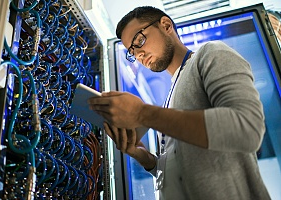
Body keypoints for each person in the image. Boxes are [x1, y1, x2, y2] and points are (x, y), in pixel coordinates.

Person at [88, 6, 271, 200]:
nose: (139, 55)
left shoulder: (210, 54)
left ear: (166, 25)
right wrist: (144, 157)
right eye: (132, 52)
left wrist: (143, 113)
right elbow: (179, 171)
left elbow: (247, 128)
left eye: (139, 40)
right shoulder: (169, 98)